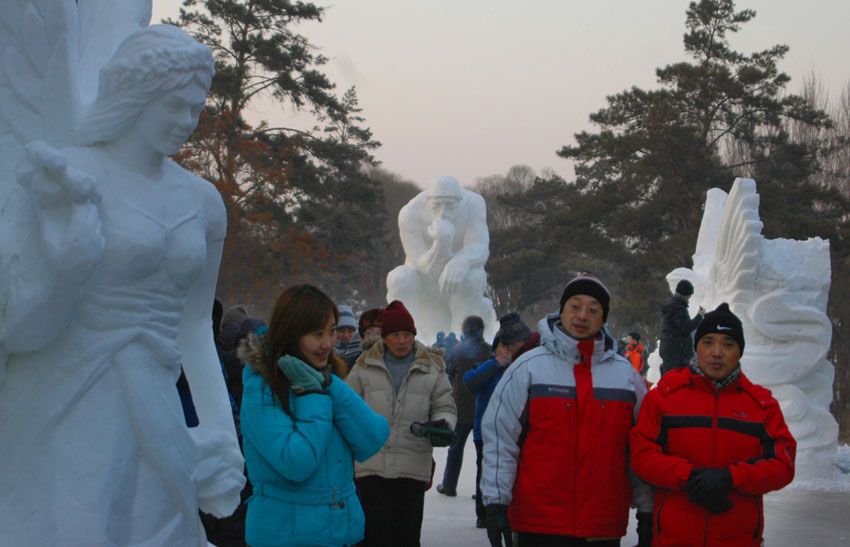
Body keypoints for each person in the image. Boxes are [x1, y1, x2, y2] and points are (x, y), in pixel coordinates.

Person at [0, 24, 245, 544]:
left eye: (196, 108)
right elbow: (18, 336)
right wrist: (69, 271)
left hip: (156, 409)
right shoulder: (64, 177)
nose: (187, 122)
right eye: (173, 105)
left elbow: (195, 328)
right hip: (69, 402)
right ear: (136, 96)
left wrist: (222, 433)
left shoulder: (202, 203)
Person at [482, 273, 653, 547]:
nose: (583, 315)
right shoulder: (528, 368)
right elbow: (500, 439)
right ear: (561, 310)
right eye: (575, 306)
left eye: (593, 310)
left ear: (603, 318)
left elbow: (642, 449)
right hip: (539, 523)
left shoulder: (626, 378)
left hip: (602, 524)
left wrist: (648, 512)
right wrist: (496, 503)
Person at [630, 303, 796, 546]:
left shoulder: (761, 405)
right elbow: (642, 456)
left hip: (737, 537)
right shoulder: (665, 397)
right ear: (697, 347)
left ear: (739, 351)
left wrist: (730, 478)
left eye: (728, 344)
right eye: (708, 342)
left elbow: (783, 464)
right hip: (674, 536)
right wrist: (690, 476)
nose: (717, 352)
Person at [238, 285, 390, 546]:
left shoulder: (325, 379)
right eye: (317, 334)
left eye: (331, 331)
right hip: (286, 537)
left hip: (338, 532)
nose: (328, 343)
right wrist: (313, 397)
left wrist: (330, 387)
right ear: (291, 334)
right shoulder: (261, 388)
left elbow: (373, 438)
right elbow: (296, 464)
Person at [346, 300, 457, 547]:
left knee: (406, 537)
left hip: (412, 465)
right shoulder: (364, 365)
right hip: (371, 465)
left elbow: (445, 407)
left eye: (407, 334)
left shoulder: (432, 368)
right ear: (385, 337)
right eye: (395, 334)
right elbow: (347, 407)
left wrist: (443, 424)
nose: (402, 341)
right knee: (373, 536)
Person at [386, 176, 496, 342]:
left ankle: (465, 340)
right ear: (428, 202)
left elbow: (480, 246)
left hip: (460, 283)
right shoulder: (410, 213)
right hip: (425, 283)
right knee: (398, 278)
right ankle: (411, 339)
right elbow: (421, 265)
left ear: (459, 201)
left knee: (474, 277)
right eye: (437, 206)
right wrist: (441, 244)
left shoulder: (473, 203)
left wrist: (460, 262)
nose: (443, 212)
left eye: (450, 206)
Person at [464, 312, 539, 529]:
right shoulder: (489, 367)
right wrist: (495, 364)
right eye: (502, 347)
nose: (506, 351)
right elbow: (470, 382)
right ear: (495, 348)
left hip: (511, 431)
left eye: (510, 347)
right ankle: (483, 513)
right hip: (484, 432)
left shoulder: (521, 367)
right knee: (484, 471)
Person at [437, 316, 491, 498]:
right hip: (482, 408)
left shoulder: (458, 351)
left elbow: (448, 370)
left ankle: (449, 485)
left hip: (461, 407)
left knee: (455, 448)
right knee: (482, 453)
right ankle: (481, 489)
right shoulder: (489, 351)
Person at [659, 279, 705, 376]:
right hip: (676, 350)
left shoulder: (672, 305)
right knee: (675, 380)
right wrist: (699, 316)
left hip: (670, 348)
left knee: (670, 377)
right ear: (686, 294)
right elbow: (686, 328)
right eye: (690, 295)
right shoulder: (678, 308)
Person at [335, 304, 362, 371]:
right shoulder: (325, 354)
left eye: (350, 331)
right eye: (342, 331)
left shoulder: (361, 353)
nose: (346, 335)